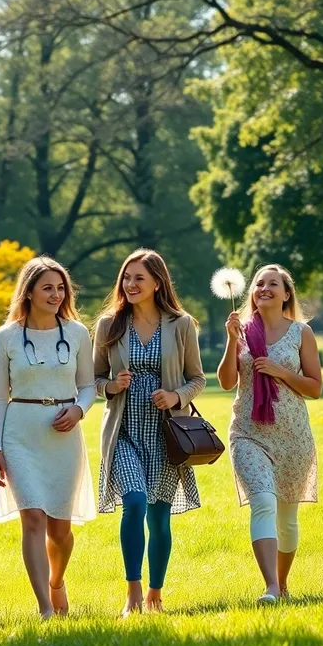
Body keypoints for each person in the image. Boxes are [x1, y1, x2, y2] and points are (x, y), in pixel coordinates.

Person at [93, 249, 206, 617]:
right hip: (123, 431)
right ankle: (133, 593)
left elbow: (197, 378)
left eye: (139, 278)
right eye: (126, 277)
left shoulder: (182, 324)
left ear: (158, 282)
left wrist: (175, 395)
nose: (130, 284)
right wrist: (111, 386)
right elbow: (92, 379)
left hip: (165, 433)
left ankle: (156, 594)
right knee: (135, 502)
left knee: (158, 517)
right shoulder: (110, 325)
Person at [0, 258, 96, 619]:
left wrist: (79, 409)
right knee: (33, 517)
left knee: (60, 530)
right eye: (47, 287)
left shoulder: (78, 333)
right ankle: (45, 608)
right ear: (29, 291)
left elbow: (87, 386)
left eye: (60, 287)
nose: (55, 294)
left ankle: (57, 581)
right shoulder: (5, 337)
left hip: (64, 437)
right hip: (20, 435)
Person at [217, 264, 322, 606]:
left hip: (293, 436)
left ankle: (283, 582)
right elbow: (227, 382)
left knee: (287, 520)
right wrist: (231, 341)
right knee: (262, 502)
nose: (264, 288)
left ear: (286, 293)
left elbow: (315, 388)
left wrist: (279, 371)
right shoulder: (242, 331)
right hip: (248, 433)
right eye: (259, 283)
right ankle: (271, 587)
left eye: (272, 284)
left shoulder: (301, 333)